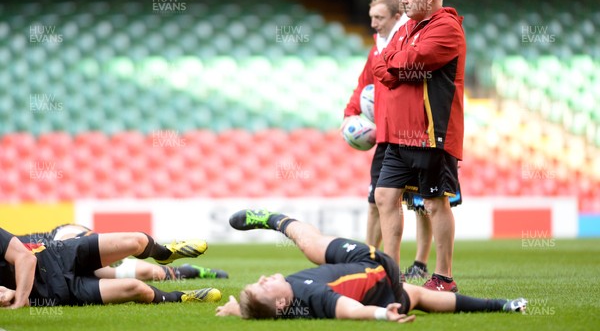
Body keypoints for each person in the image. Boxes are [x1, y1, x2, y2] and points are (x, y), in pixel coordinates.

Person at [215, 209, 526, 321]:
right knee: (312, 246)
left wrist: (236, 308)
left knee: (420, 298)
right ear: (282, 301)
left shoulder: (275, 310)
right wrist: (381, 316)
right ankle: (276, 219)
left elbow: (258, 310)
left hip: (382, 291)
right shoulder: (312, 294)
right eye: (264, 284)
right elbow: (349, 311)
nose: (264, 277)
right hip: (371, 265)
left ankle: (502, 306)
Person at [371, 0, 466, 292]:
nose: (404, 0)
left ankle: (443, 277)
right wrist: (397, 63)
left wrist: (397, 62)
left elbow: (414, 60)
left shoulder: (447, 27)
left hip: (430, 133)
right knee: (384, 196)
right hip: (399, 134)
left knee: (433, 203)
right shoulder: (406, 28)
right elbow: (382, 66)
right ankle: (390, 274)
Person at [0, 226, 221, 308]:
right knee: (138, 289)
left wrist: (18, 299)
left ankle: (164, 254)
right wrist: (11, 296)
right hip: (57, 292)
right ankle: (181, 297)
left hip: (57, 255)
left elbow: (26, 259)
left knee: (136, 241)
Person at [341, 0, 408, 249]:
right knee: (375, 200)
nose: (373, 23)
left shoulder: (406, 43)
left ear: (396, 17)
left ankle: (423, 264)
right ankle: (368, 257)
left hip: (411, 136)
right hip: (385, 137)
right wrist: (349, 114)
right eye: (371, 18)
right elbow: (363, 85)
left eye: (379, 18)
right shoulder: (376, 49)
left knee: (426, 204)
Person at [19, 224, 229, 280]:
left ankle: (163, 252)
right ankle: (189, 271)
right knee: (150, 274)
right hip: (58, 275)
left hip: (56, 244)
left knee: (76, 244)